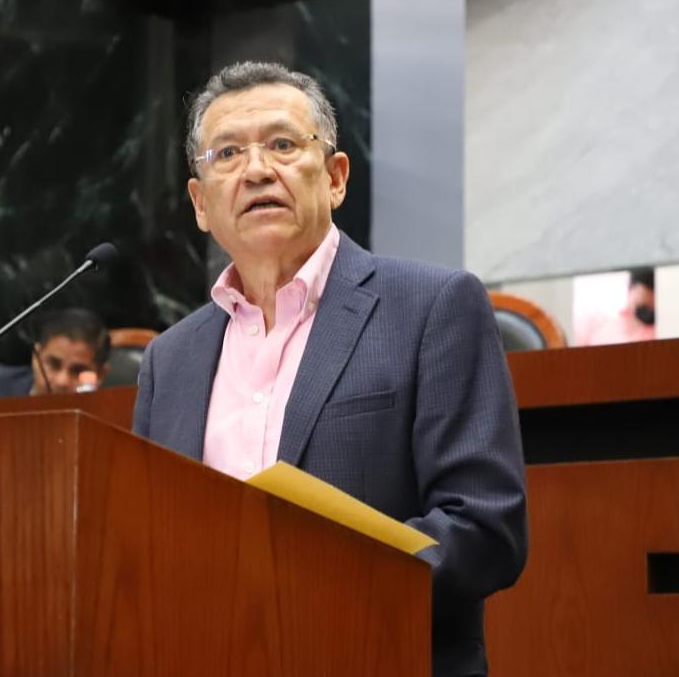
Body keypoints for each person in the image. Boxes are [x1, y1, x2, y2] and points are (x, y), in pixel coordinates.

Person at [133, 62, 527, 677]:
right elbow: (142, 544)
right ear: (201, 204)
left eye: (283, 144)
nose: (256, 169)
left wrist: (301, 592)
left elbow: (484, 527)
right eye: (228, 153)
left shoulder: (431, 308)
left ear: (336, 177)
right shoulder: (170, 360)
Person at [0, 307, 111, 401]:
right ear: (36, 357)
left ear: (101, 374)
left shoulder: (113, 417)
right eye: (53, 364)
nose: (62, 381)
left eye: (77, 370)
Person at [576, 267, 656, 346]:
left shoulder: (657, 331)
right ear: (630, 289)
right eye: (646, 305)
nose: (651, 309)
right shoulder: (599, 322)